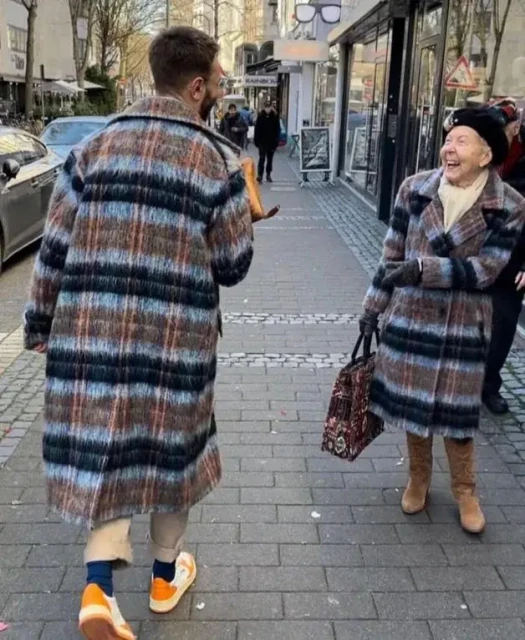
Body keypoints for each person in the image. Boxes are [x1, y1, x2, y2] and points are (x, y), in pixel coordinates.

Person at [24, 26, 254, 640]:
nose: (221, 93)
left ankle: (98, 589)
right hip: (176, 340)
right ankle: (161, 577)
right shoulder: (216, 158)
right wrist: (243, 219)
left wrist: (40, 324)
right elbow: (233, 266)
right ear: (197, 85)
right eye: (219, 83)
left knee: (109, 447)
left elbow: (53, 250)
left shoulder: (93, 148)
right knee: (171, 453)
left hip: (91, 333)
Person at [360, 108, 525, 535]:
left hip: (463, 324)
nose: (448, 148)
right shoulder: (414, 189)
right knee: (415, 410)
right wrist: (371, 309)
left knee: (458, 416)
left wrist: (424, 270)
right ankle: (418, 478)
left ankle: (465, 491)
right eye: (448, 139)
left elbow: (488, 271)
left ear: (486, 155)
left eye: (461, 141)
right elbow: (391, 255)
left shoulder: (509, 205)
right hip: (412, 320)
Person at [481, 98, 525, 414]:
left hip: (513, 258)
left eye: (506, 129)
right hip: (475, 255)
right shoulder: (478, 158)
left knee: (503, 328)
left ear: (516, 128)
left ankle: (488, 385)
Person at [254, 101, 280, 183]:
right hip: (262, 141)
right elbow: (257, 129)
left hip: (271, 142)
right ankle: (259, 175)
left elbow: (277, 130)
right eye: (266, 107)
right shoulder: (260, 116)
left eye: (269, 107)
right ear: (264, 107)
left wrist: (276, 141)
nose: (267, 109)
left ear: (271, 107)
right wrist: (256, 140)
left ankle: (268, 174)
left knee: (270, 159)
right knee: (261, 158)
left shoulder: (275, 116)